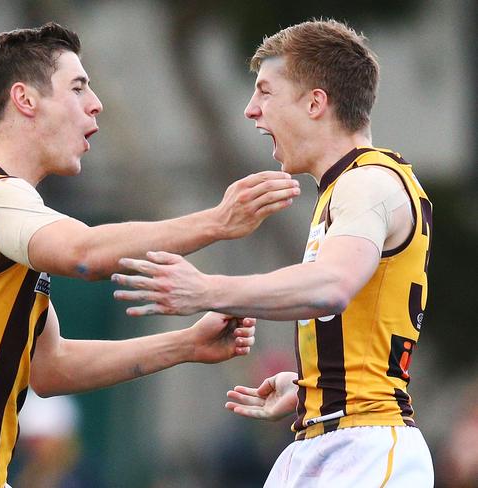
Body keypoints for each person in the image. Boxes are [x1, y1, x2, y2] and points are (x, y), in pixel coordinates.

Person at [0, 23, 300, 488]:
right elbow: (83, 254)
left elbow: (50, 367)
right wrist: (217, 221)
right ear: (25, 99)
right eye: (77, 87)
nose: (95, 103)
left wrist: (185, 345)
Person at [112, 19, 434, 487]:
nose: (250, 110)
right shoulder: (350, 185)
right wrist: (313, 387)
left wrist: (208, 290)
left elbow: (332, 285)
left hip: (364, 448)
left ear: (314, 103)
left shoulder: (367, 182)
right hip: (332, 439)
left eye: (265, 91)